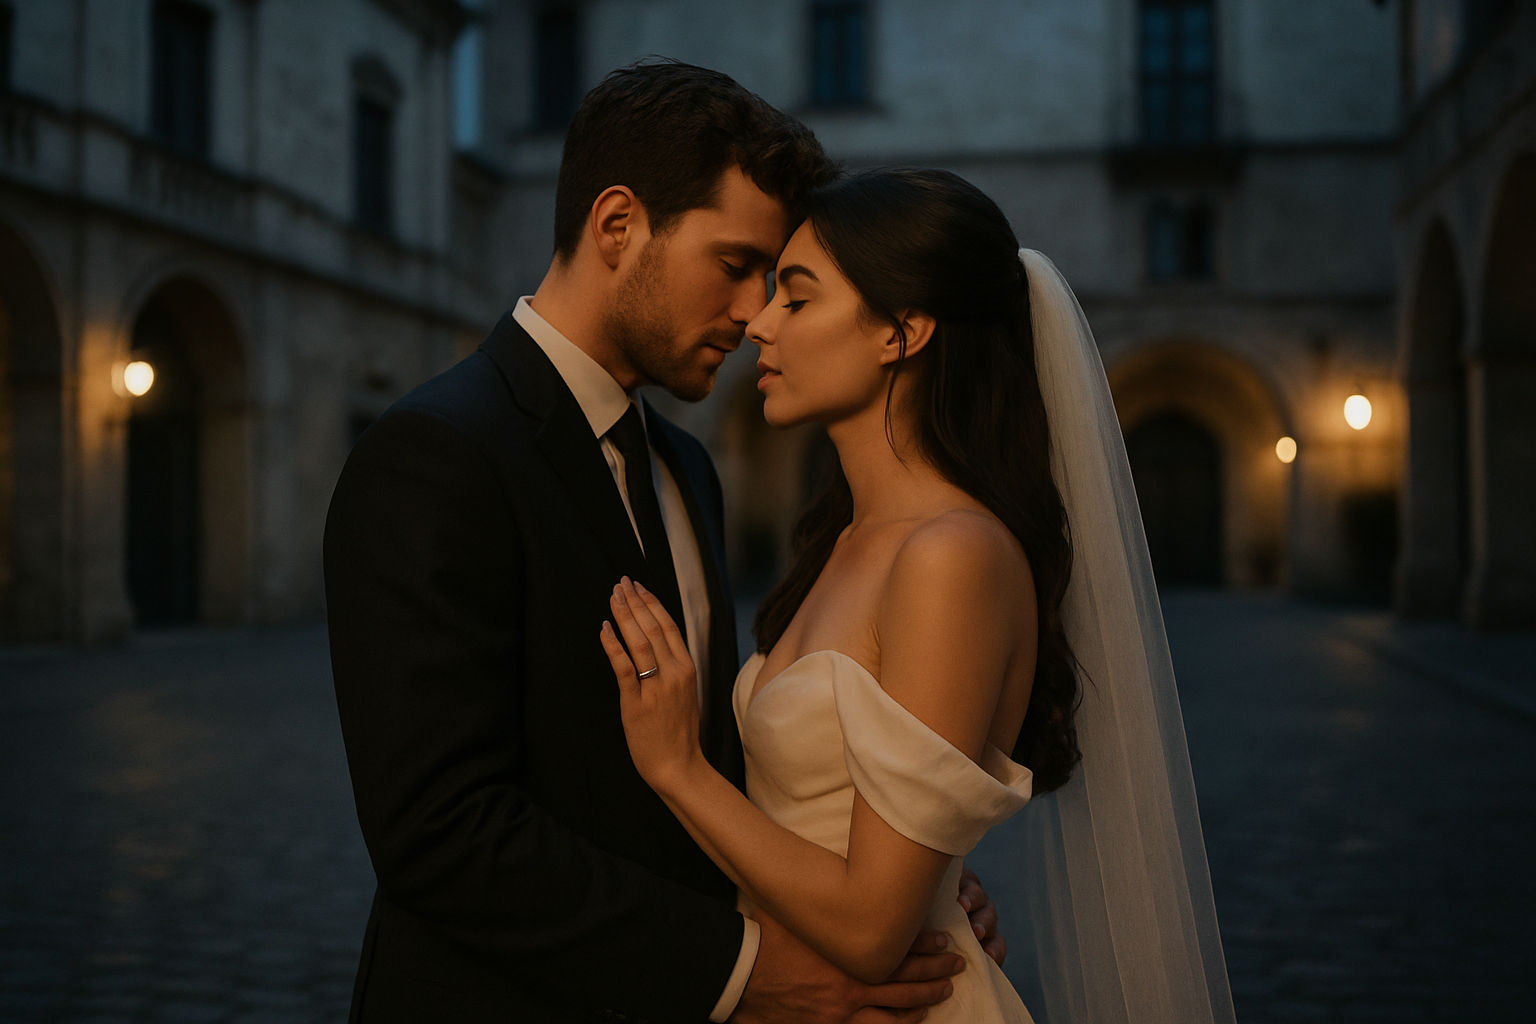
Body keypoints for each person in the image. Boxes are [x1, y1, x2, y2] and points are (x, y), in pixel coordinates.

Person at [325, 63, 1006, 1024]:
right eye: (735, 266)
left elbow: (716, 762)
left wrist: (899, 882)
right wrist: (748, 970)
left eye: (776, 281)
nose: (752, 313)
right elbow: (440, 832)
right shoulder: (437, 452)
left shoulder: (686, 467)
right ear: (617, 227)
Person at [598, 168, 1239, 1024]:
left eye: (796, 298)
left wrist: (677, 769)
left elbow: (870, 930)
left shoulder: (953, 556)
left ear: (902, 331)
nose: (756, 324)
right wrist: (931, 871)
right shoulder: (844, 539)